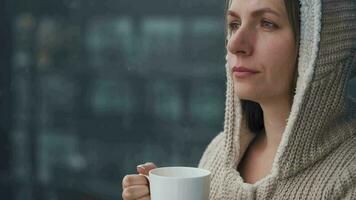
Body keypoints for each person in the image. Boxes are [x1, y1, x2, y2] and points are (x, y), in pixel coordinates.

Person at [122, 0, 356, 199]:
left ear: (321, 45)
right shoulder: (217, 155)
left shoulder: (349, 175)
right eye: (234, 24)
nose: (235, 44)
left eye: (267, 23)